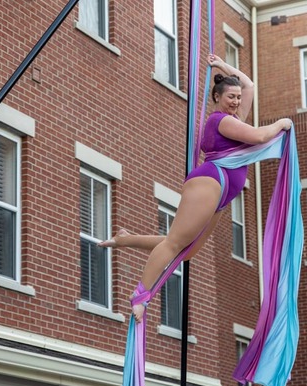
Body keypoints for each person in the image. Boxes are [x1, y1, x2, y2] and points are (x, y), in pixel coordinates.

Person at [99, 54, 292, 323]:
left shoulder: (236, 118)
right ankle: (140, 298)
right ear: (216, 97)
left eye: (237, 97)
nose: (236, 101)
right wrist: (282, 123)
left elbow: (249, 85)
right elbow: (261, 136)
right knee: (175, 242)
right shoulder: (220, 121)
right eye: (230, 97)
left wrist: (223, 66)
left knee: (187, 251)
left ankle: (125, 239)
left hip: (222, 195)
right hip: (211, 182)